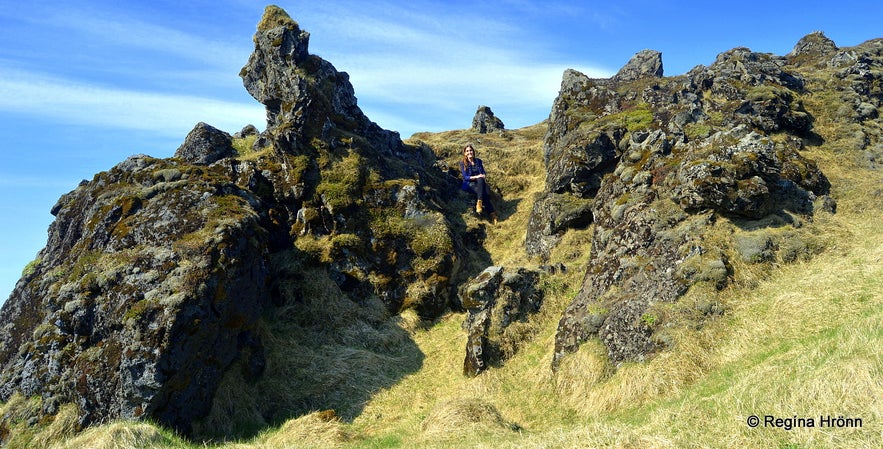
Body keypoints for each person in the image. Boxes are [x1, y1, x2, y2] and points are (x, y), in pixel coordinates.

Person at [459, 144, 497, 223]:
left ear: (473, 151)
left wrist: (482, 175)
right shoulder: (463, 163)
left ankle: (479, 203)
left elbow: (483, 173)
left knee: (482, 184)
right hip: (469, 184)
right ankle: (492, 214)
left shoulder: (478, 161)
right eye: (467, 151)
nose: (469, 152)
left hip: (480, 182)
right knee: (485, 193)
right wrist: (477, 176)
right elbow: (465, 177)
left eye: (471, 150)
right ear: (465, 153)